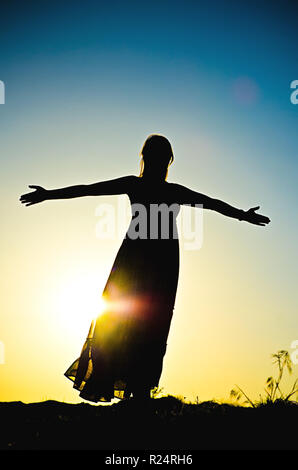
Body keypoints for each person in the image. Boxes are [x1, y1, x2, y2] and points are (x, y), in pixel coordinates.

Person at [19, 134, 270, 402]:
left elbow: (213, 204)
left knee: (149, 324)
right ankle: (127, 386)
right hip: (139, 261)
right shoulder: (147, 187)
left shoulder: (171, 190)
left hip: (156, 264)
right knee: (124, 320)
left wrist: (243, 215)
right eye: (157, 157)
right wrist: (49, 195)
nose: (159, 162)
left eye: (161, 158)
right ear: (154, 159)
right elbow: (89, 188)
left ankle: (138, 390)